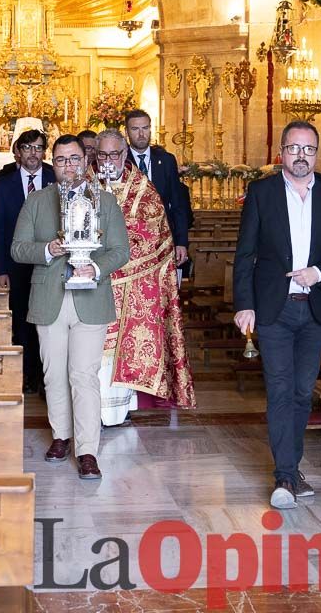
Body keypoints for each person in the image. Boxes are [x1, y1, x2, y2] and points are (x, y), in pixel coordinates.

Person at [233, 121, 321, 510]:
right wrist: (244, 304)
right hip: (275, 308)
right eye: (294, 148)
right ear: (282, 152)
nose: (301, 156)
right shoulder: (262, 192)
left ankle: (292, 467)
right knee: (281, 389)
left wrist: (318, 273)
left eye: (309, 149)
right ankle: (285, 475)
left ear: (316, 154)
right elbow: (245, 254)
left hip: (315, 309)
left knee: (304, 393)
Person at [11, 135, 129, 480]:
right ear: (53, 163)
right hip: (49, 297)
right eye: (61, 160)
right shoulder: (36, 202)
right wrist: (48, 249)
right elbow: (18, 248)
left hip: (90, 297)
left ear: (85, 160)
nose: (68, 166)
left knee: (83, 375)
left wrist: (95, 267)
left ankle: (88, 450)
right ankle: (61, 436)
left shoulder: (104, 201)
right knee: (53, 375)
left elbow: (120, 250)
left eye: (75, 159)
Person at [95, 129, 195, 426]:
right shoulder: (85, 185)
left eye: (114, 154)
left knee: (120, 353)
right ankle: (91, 414)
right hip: (90, 288)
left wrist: (111, 260)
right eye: (103, 155)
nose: (109, 161)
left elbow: (155, 237)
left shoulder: (144, 191)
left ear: (124, 155)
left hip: (130, 288)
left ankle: (117, 411)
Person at [0, 130, 55, 394]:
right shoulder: (4, 185)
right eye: (27, 148)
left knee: (47, 319)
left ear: (44, 152)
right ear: (18, 152)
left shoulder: (54, 178)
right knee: (23, 321)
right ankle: (28, 375)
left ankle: (47, 375)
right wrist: (0, 269)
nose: (32, 153)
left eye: (38, 148)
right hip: (16, 265)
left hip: (50, 262)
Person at [123, 110, 189, 269]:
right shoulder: (122, 160)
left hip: (163, 237)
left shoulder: (166, 160)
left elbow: (178, 204)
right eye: (135, 129)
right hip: (130, 241)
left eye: (145, 128)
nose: (141, 134)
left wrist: (181, 242)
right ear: (126, 132)